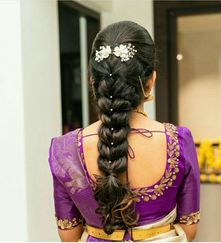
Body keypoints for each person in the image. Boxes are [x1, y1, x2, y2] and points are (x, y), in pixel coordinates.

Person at [48, 21, 200, 242]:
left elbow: (68, 235)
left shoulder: (64, 149)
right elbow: (189, 227)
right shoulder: (178, 140)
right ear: (150, 81)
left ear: (93, 82)